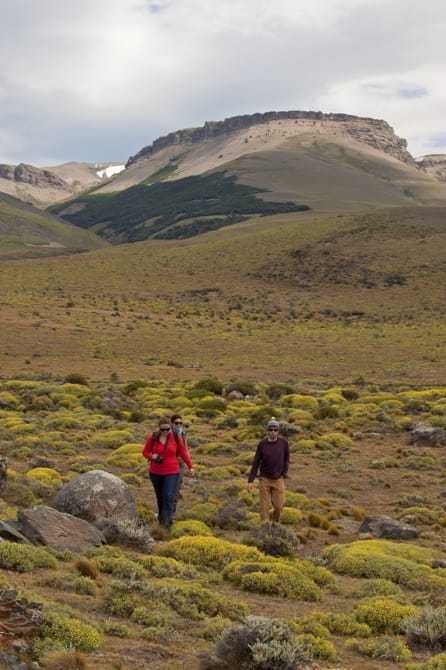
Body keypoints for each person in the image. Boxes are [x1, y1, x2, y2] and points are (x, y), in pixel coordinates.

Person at [142, 417, 194, 529]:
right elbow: (145, 452)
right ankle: (161, 519)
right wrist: (152, 456)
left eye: (167, 429)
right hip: (155, 472)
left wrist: (190, 466)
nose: (165, 431)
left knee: (169, 496)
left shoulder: (174, 437)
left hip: (172, 472)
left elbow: (183, 451)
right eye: (163, 429)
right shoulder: (153, 437)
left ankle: (168, 523)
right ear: (159, 428)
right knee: (160, 497)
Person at [247, 418, 289, 523]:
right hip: (264, 479)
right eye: (271, 429)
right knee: (264, 507)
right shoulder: (262, 444)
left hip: (278, 479)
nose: (273, 432)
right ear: (267, 431)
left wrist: (284, 472)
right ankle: (265, 527)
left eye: (275, 430)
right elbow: (256, 462)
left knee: (279, 506)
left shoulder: (283, 443)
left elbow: (286, 459)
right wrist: (250, 481)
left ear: (278, 431)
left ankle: (275, 524)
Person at [171, 414, 187, 509]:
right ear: (172, 423)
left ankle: (171, 514)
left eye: (180, 423)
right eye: (176, 423)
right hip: (170, 465)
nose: (179, 425)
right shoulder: (168, 434)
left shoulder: (183, 434)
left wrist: (188, 463)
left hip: (180, 465)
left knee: (176, 488)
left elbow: (185, 449)